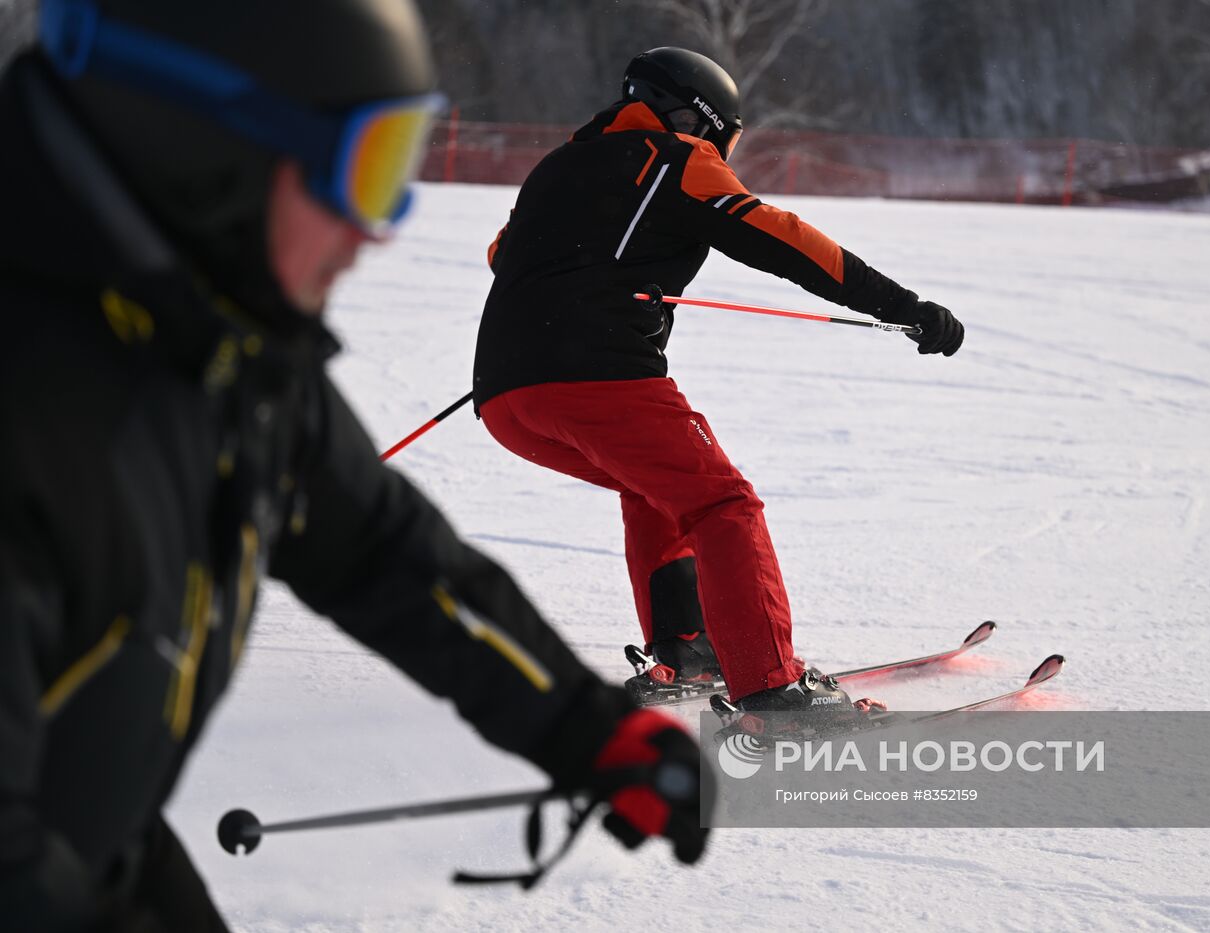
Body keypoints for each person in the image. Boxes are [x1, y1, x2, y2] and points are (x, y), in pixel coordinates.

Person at [0, 3, 707, 930]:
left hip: (87, 846)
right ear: (207, 150)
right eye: (363, 169)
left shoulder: (225, 356)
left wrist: (584, 728)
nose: (376, 231)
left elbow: (387, 557)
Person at [473, 47, 965, 717]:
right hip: (599, 377)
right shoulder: (677, 159)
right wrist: (905, 308)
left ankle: (691, 647)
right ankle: (771, 687)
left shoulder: (555, 167)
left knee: (658, 488)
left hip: (504, 396)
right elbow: (787, 240)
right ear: (701, 122)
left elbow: (504, 253)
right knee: (723, 505)